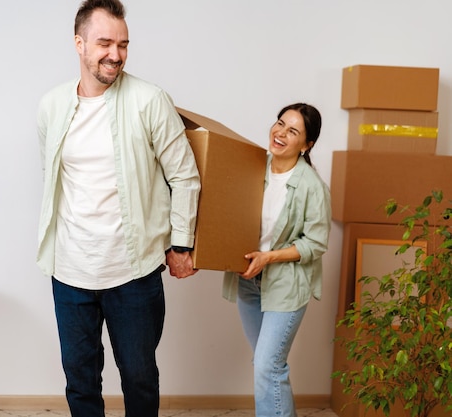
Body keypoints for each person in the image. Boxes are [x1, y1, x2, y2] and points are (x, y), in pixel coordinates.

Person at [35, 0, 201, 416]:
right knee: (80, 378)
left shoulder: (150, 100)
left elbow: (184, 176)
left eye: (123, 44)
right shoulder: (52, 106)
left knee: (140, 377)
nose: (116, 54)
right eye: (105, 43)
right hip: (70, 271)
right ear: (79, 43)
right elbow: (55, 179)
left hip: (134, 272)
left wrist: (181, 244)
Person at [222, 103, 331, 417]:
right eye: (280, 123)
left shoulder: (311, 187)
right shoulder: (251, 167)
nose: (280, 133)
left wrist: (269, 257)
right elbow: (228, 217)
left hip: (285, 286)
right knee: (265, 365)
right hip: (248, 282)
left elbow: (316, 243)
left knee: (268, 366)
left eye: (293, 131)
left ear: (307, 145)